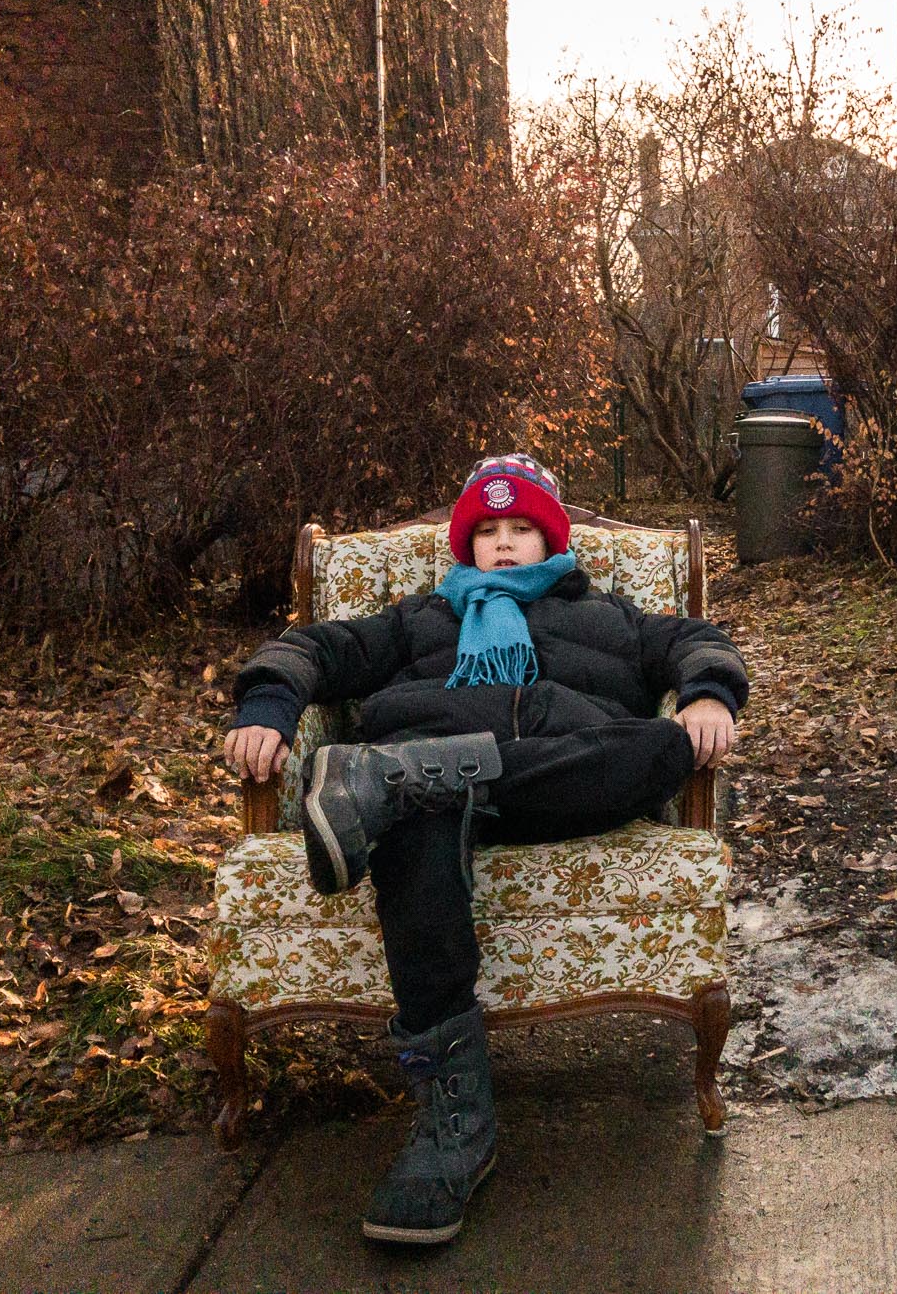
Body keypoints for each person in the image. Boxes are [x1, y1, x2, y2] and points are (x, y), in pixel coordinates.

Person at [221, 453, 747, 1247]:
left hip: (566, 785)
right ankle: (451, 1126)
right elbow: (314, 649)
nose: (503, 544)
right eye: (488, 531)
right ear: (467, 546)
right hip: (435, 802)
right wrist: (267, 706)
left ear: (551, 538)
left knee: (657, 747)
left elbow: (700, 642)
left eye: (521, 528)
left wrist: (707, 693)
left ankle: (399, 780)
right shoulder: (422, 618)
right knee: (415, 825)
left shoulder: (609, 615)